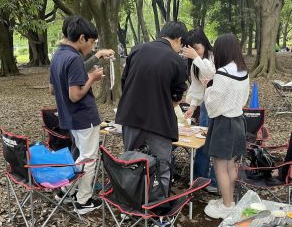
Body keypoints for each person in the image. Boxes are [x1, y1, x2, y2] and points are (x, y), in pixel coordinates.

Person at [116, 21, 188, 200]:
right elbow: (177, 96)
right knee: (161, 166)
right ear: (179, 40)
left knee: (131, 161)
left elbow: (125, 83)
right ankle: (158, 209)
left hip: (131, 118)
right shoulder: (177, 61)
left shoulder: (136, 50)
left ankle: (131, 205)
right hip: (159, 123)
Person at [49, 16, 104, 215]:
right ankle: (84, 201)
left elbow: (52, 89)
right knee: (88, 158)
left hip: (69, 117)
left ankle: (67, 190)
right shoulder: (73, 58)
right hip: (83, 116)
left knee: (78, 154)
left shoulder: (58, 55)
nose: (92, 47)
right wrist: (93, 78)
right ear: (82, 38)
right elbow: (75, 95)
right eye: (92, 42)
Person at [202, 33, 249, 219]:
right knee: (231, 165)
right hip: (238, 120)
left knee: (220, 167)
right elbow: (240, 97)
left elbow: (212, 105)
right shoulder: (243, 71)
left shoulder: (222, 73)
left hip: (223, 123)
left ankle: (227, 205)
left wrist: (208, 88)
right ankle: (229, 201)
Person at [182, 27, 217, 193]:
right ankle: (199, 178)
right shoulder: (194, 63)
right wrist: (192, 107)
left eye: (197, 47)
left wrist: (196, 57)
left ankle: (216, 181)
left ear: (204, 43)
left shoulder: (213, 57)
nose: (196, 52)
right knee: (202, 143)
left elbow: (211, 72)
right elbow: (197, 88)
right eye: (192, 49)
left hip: (218, 107)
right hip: (204, 107)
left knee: (216, 145)